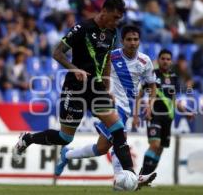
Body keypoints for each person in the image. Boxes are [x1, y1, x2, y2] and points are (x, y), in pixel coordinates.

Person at [12, 0, 145, 181]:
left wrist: (107, 88)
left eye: (119, 18)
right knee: (65, 138)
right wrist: (75, 70)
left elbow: (106, 61)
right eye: (115, 17)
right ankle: (27, 139)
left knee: (118, 129)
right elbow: (57, 52)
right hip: (75, 87)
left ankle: (131, 174)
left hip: (96, 88)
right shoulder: (82, 28)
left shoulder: (112, 33)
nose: (117, 22)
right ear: (104, 11)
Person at [54, 25, 157, 187]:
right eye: (129, 39)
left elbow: (152, 84)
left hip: (127, 107)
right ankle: (125, 179)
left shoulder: (145, 61)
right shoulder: (111, 56)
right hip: (111, 104)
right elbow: (96, 72)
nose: (132, 43)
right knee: (120, 138)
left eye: (135, 39)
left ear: (139, 41)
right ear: (121, 41)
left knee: (102, 148)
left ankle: (68, 154)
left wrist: (150, 104)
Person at [136, 49, 193, 176]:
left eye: (168, 59)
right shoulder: (152, 75)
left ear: (171, 61)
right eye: (163, 59)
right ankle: (141, 176)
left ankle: (146, 178)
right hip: (154, 115)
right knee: (155, 145)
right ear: (158, 60)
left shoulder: (174, 78)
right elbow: (139, 95)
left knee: (160, 149)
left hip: (168, 117)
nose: (165, 61)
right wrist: (136, 115)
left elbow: (174, 100)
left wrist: (186, 112)